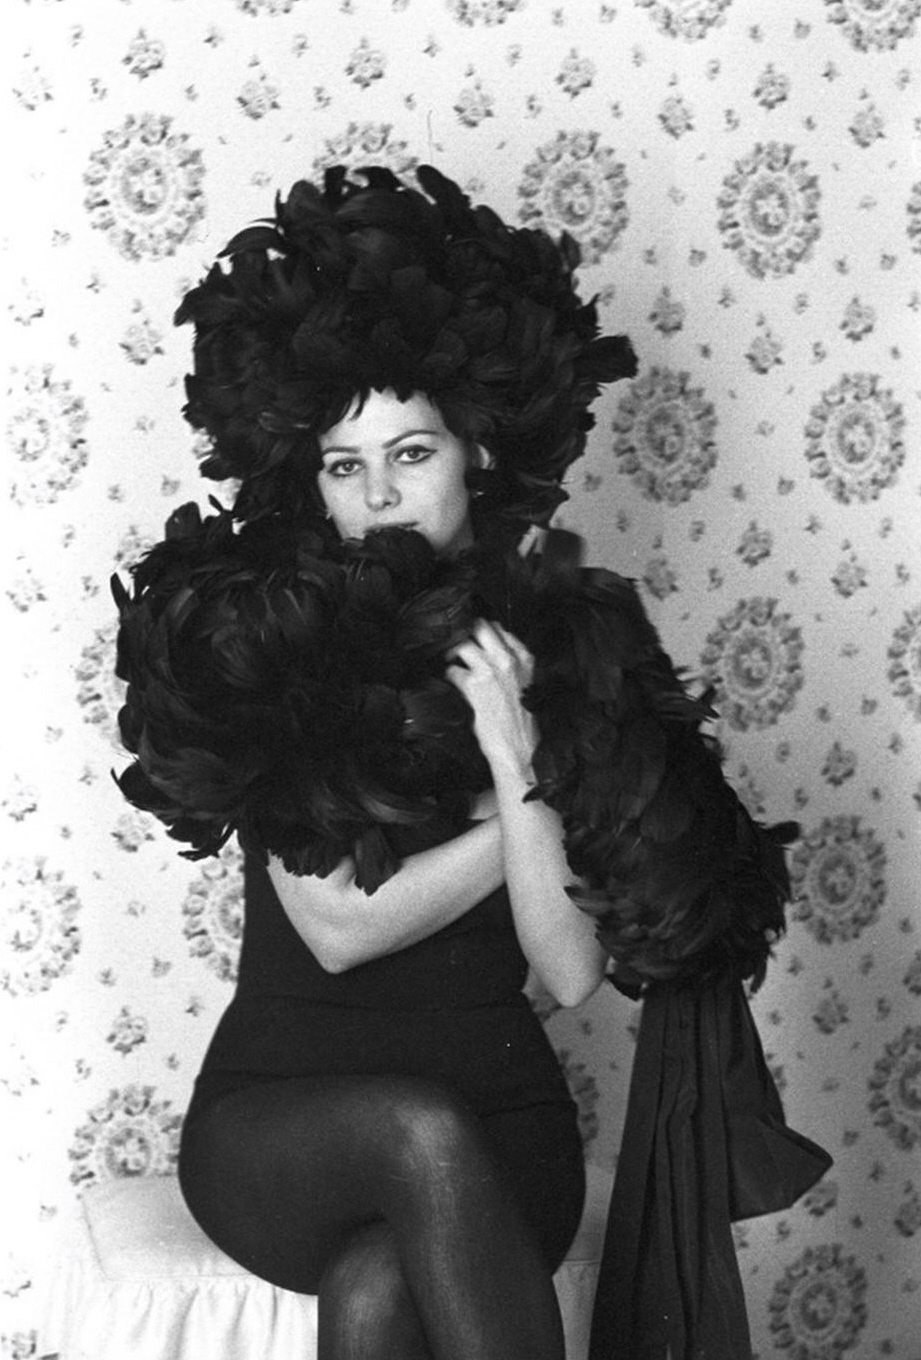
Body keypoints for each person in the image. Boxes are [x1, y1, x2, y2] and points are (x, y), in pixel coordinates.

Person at [113, 165, 830, 1360]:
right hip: (281, 1126)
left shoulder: (562, 652)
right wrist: (521, 802)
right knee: (417, 1129)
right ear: (312, 482)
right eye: (346, 465)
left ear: (477, 454)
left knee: (379, 1286)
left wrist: (512, 743)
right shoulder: (271, 636)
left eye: (411, 452)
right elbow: (339, 925)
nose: (381, 494)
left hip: (505, 1132)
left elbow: (572, 969)